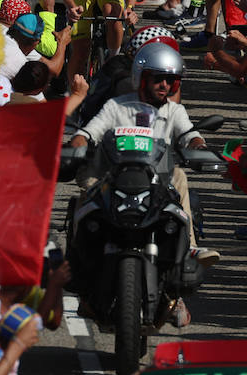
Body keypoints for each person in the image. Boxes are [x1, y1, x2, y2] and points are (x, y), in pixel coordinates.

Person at [69, 42, 218, 271]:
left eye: (171, 80)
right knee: (87, 193)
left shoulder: (174, 111)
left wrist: (198, 146)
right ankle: (78, 252)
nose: (164, 85)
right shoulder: (116, 107)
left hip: (157, 181)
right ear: (141, 77)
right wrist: (77, 144)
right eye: (158, 78)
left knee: (180, 176)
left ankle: (189, 246)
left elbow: (190, 135)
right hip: (113, 178)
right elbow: (90, 132)